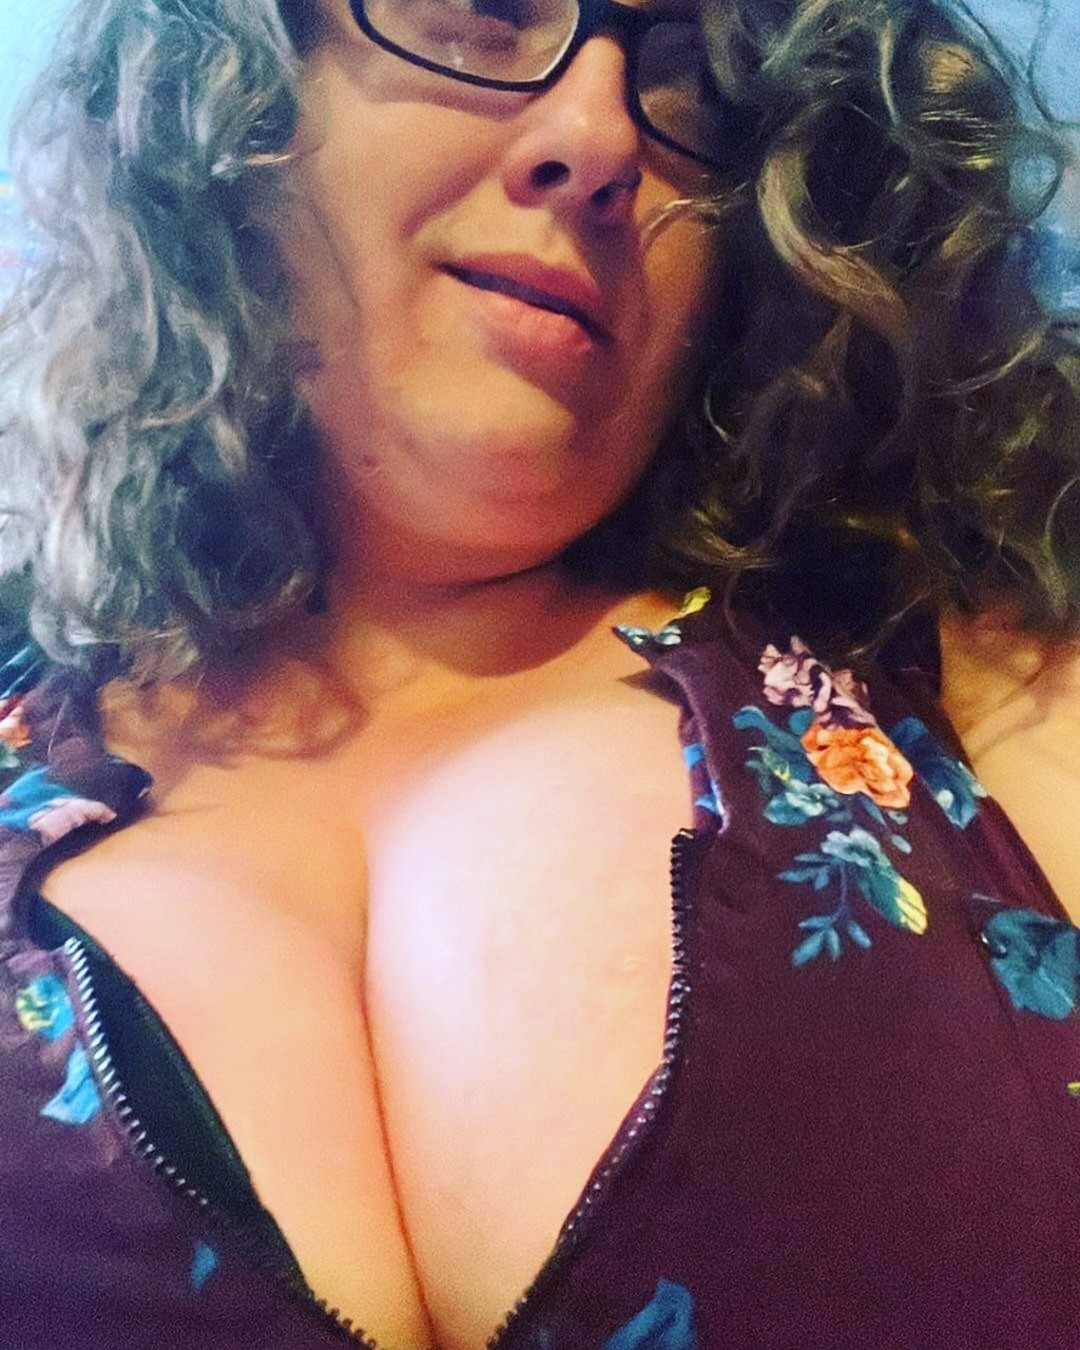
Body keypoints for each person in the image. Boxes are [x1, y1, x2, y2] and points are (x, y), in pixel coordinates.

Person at [0, 0, 1078, 1345]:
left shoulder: (968, 668)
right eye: (484, 9)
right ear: (232, 87)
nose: (600, 138)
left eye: (689, 80)